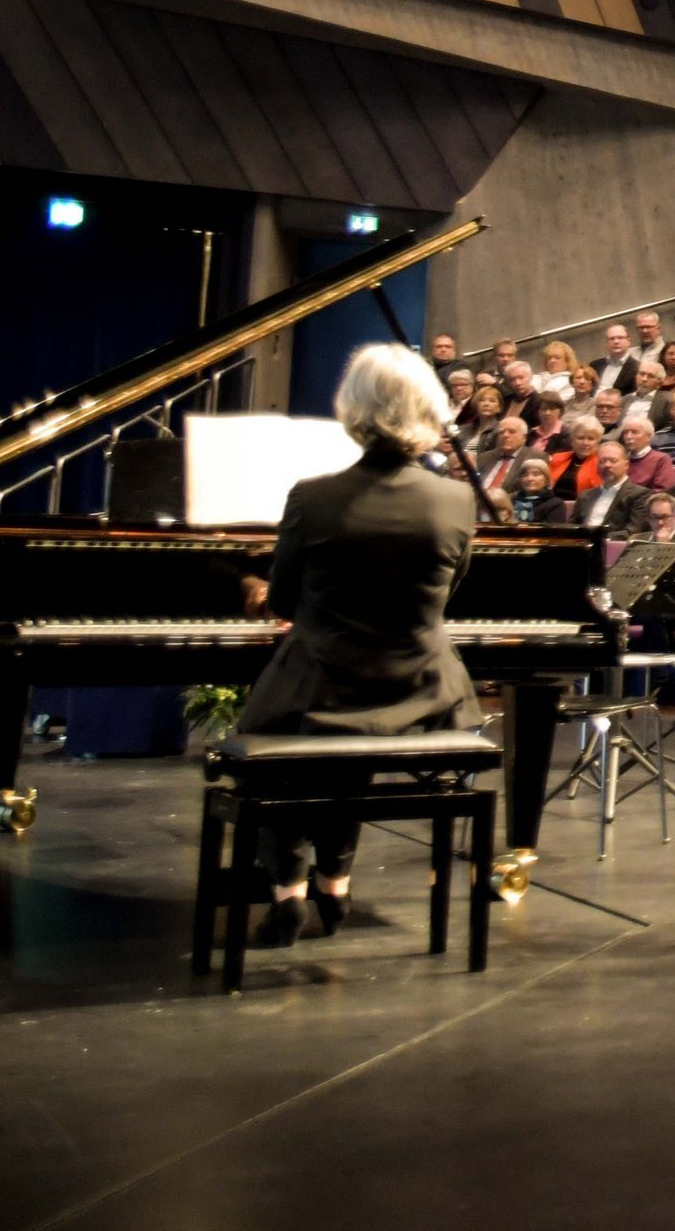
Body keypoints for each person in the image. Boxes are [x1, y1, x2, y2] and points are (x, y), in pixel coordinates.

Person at [226, 344, 485, 948]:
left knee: (279, 741)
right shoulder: (456, 499)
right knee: (355, 747)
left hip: (323, 680)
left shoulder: (312, 497)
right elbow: (451, 594)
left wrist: (258, 588)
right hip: (423, 690)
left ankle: (288, 888)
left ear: (354, 410)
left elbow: (286, 604)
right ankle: (335, 880)